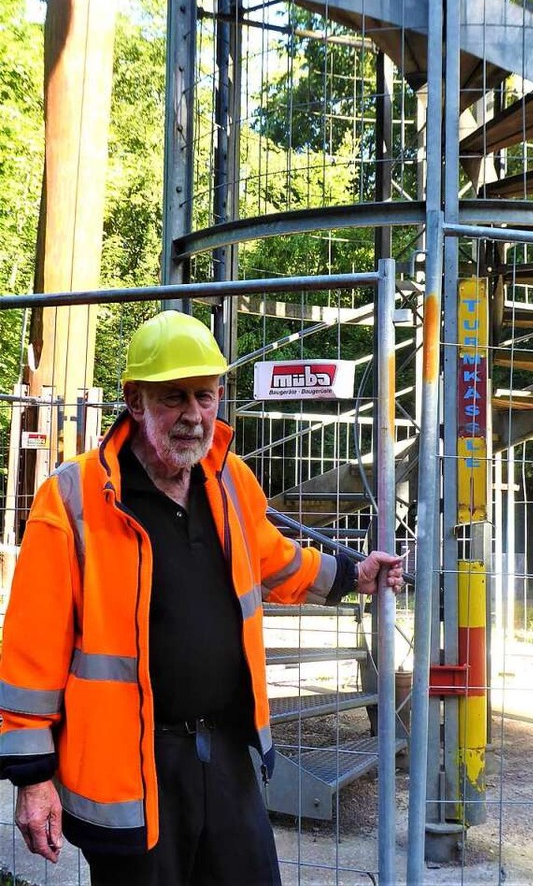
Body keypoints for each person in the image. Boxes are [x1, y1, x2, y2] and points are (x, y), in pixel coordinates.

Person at [0, 310, 404, 886]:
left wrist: (351, 574)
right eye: (174, 398)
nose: (194, 415)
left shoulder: (231, 481)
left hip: (227, 755)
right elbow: (30, 651)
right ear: (135, 401)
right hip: (130, 769)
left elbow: (276, 558)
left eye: (206, 396)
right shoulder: (72, 498)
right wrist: (33, 777)